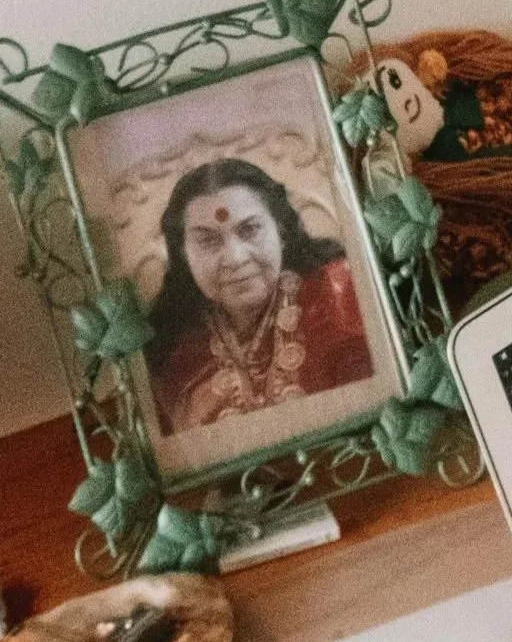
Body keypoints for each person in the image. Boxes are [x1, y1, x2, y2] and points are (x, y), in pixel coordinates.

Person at [145, 159, 372, 436]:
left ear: (282, 232)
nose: (235, 258)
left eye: (250, 229)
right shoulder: (168, 352)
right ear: (183, 255)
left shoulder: (345, 301)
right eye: (208, 240)